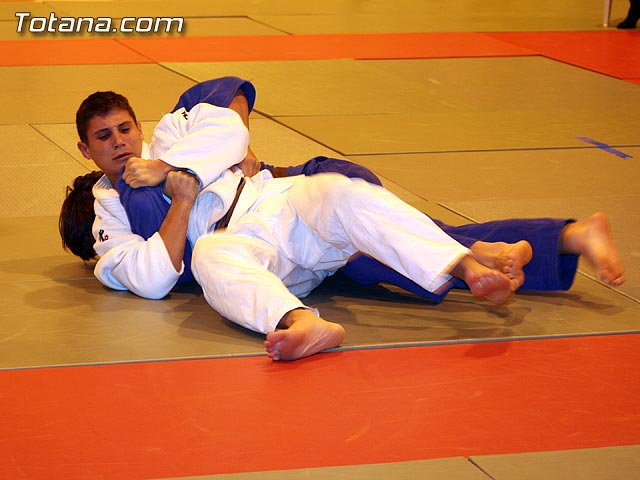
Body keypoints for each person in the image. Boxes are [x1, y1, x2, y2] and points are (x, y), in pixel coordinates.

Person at [61, 79, 625, 361]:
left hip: (276, 197)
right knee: (214, 256)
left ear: (140, 124)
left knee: (341, 194)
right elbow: (156, 278)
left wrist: (171, 165)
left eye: (124, 129)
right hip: (242, 245)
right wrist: (181, 200)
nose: (119, 142)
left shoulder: (173, 133)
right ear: (86, 151)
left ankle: (467, 264)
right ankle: (299, 321)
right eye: (104, 137)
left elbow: (232, 126)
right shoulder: (112, 225)